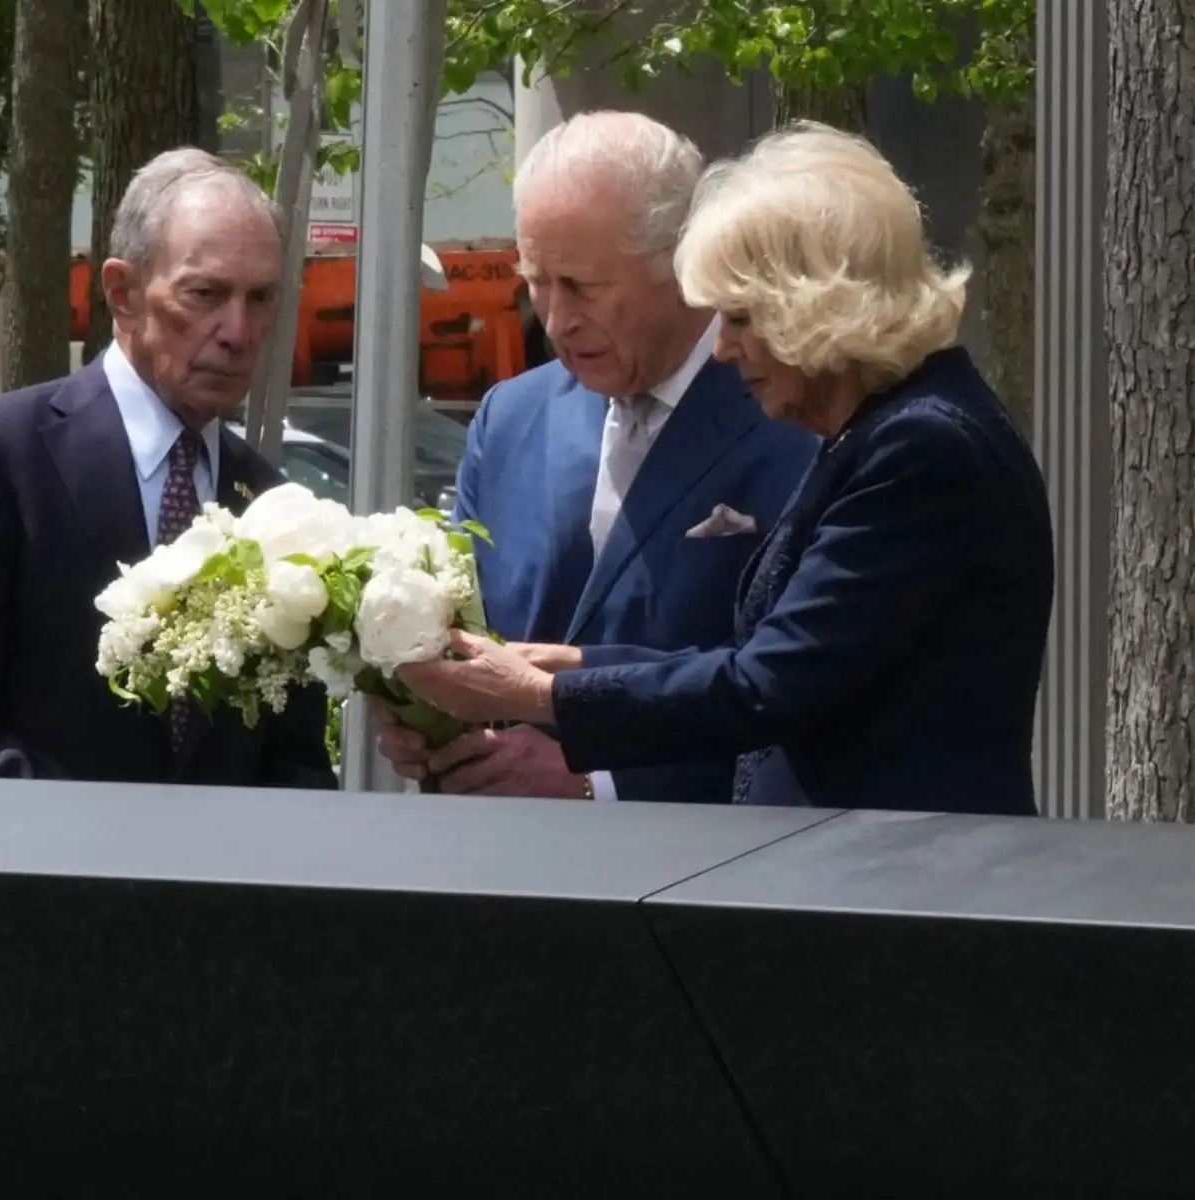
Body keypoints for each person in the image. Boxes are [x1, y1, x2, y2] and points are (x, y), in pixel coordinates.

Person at [390, 122, 1054, 818]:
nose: (723, 349)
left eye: (739, 317)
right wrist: (565, 666)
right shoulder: (886, 430)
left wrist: (540, 693)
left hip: (902, 870)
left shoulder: (920, 447)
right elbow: (760, 659)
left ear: (818, 305)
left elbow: (767, 682)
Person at [374, 112, 818, 804]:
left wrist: (598, 784)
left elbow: (795, 690)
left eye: (582, 285)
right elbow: (467, 631)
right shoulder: (511, 417)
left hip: (710, 855)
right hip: (496, 849)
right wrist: (429, 719)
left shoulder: (794, 417)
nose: (556, 320)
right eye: (537, 282)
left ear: (683, 260)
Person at [0, 148, 336, 790]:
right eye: (205, 294)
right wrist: (90, 836)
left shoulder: (269, 504)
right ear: (122, 294)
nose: (237, 331)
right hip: (36, 852)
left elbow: (293, 761)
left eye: (260, 297)